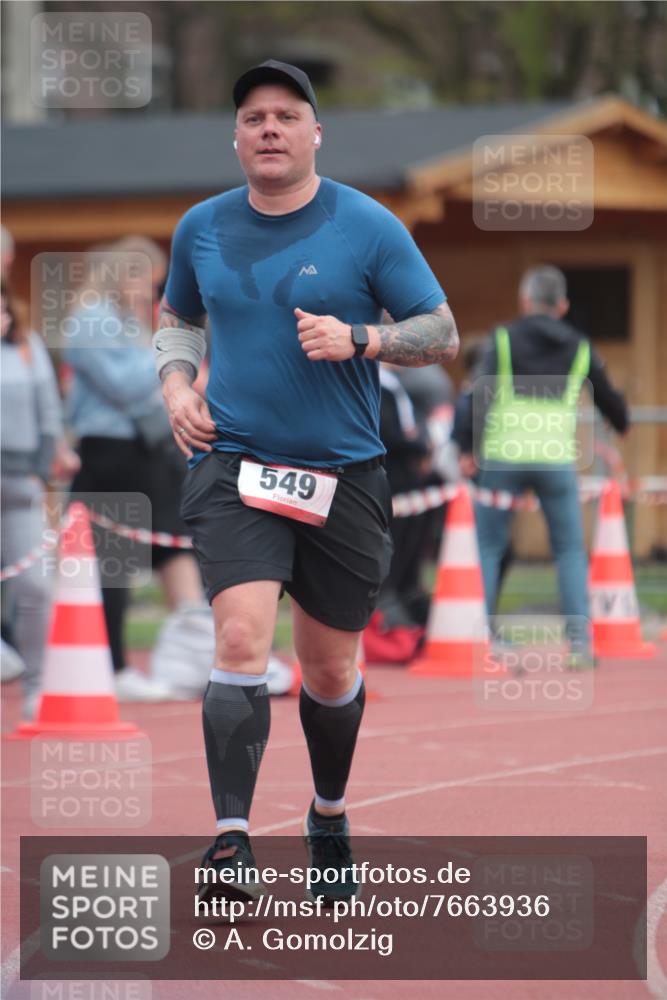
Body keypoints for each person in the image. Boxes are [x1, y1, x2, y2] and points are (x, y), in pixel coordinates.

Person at [154, 59, 458, 904]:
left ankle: (326, 812)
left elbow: (441, 332)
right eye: (254, 117)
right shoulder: (202, 227)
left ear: (315, 133)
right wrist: (176, 386)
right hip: (233, 464)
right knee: (239, 639)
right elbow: (177, 315)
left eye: (286, 116)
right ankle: (231, 840)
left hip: (342, 475)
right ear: (236, 137)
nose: (269, 129)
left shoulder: (366, 225)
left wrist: (361, 338)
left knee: (327, 669)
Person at [456, 265, 629, 668]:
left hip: (502, 456)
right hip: (555, 459)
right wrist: (621, 422)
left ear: (525, 301)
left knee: (487, 547)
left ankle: (477, 640)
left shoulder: (502, 339)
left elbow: (477, 394)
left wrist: (466, 446)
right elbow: (607, 394)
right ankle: (580, 647)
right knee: (569, 551)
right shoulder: (580, 346)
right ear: (562, 305)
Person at [65, 241, 204, 702]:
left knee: (173, 542)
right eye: (146, 280)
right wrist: (172, 362)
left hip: (144, 450)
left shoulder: (127, 322)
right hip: (110, 453)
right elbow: (125, 385)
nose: (151, 291)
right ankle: (115, 666)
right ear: (120, 274)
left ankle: (195, 651)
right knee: (112, 561)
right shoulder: (92, 319)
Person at [0, 282, 63, 719]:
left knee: (36, 586)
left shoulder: (27, 348)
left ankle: (37, 688)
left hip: (20, 483)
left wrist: (42, 469)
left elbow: (49, 412)